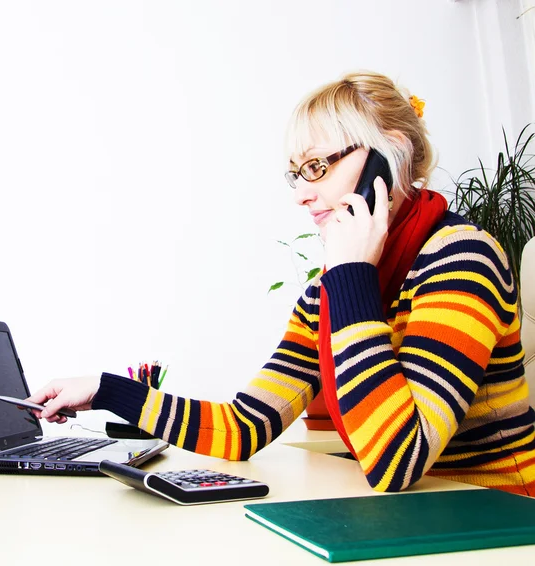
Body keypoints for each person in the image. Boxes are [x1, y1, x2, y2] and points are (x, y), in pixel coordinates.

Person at [28, 70, 535, 496]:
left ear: (391, 158)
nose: (302, 195)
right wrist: (106, 391)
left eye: (318, 167)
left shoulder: (461, 258)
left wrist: (352, 276)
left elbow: (397, 461)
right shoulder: (331, 290)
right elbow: (246, 426)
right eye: (296, 174)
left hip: (499, 513)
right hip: (412, 515)